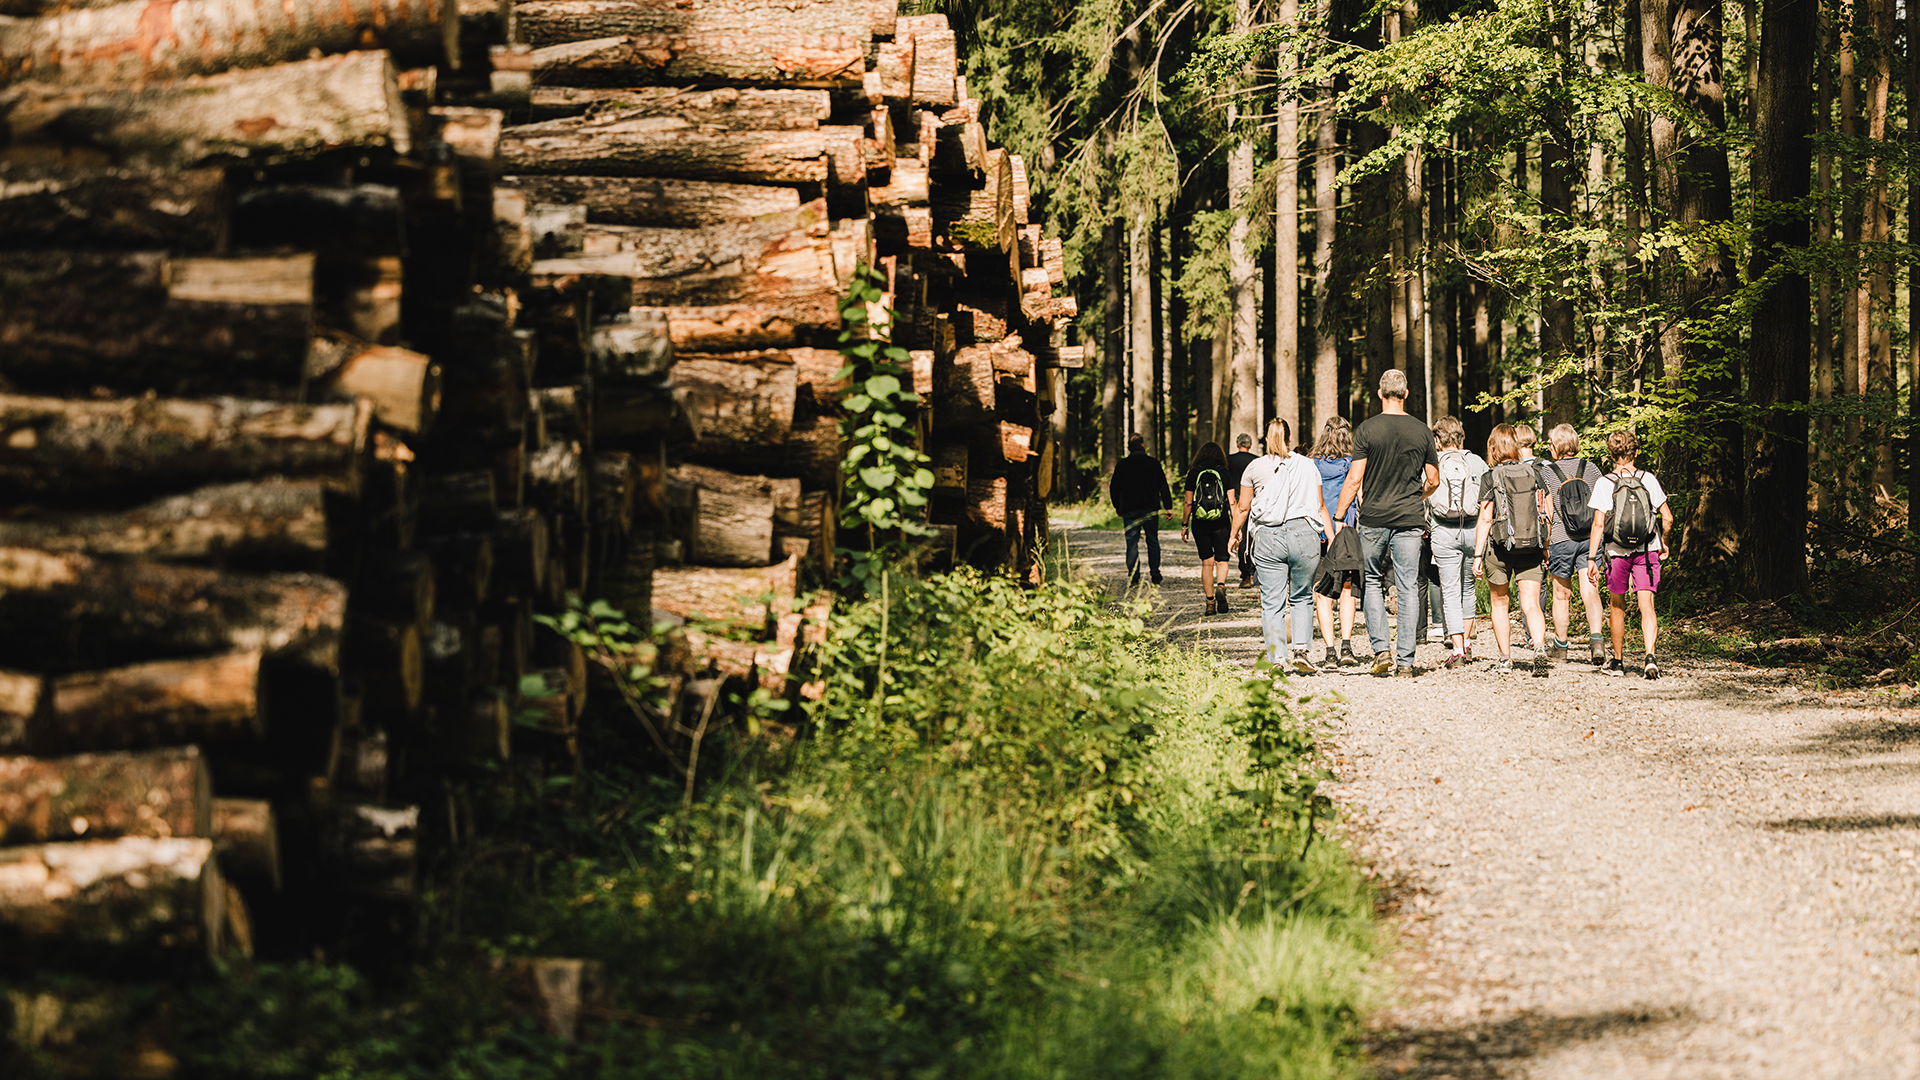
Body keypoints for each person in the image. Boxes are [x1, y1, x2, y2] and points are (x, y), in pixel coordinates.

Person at [1333, 370, 1439, 677]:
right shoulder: (1422, 431)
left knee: (1372, 582)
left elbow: (1354, 479)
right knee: (1407, 587)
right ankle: (1405, 661)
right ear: (1406, 395)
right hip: (1409, 518)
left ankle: (1381, 651)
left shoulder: (1367, 429)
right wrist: (1417, 496)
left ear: (1380, 394)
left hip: (1374, 518)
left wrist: (1340, 516)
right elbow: (1433, 479)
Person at [1230, 418, 1336, 674]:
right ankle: (1301, 650)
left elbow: (1243, 507)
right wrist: (1331, 538)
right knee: (1301, 596)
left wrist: (1234, 534)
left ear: (1266, 439)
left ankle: (1277, 658)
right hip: (1303, 535)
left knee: (1272, 602)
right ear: (1289, 439)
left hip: (1268, 537)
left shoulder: (1254, 467)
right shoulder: (1308, 465)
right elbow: (1320, 506)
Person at [1586, 429, 1674, 678]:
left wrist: (1592, 558)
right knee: (1647, 604)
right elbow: (1667, 518)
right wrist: (1664, 543)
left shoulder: (1605, 483)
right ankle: (1650, 657)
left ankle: (1618, 661)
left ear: (1611, 454)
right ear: (1636, 452)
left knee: (1617, 605)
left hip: (1616, 552)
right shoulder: (1649, 479)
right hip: (1647, 551)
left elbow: (1598, 525)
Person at [1471, 424, 1551, 676]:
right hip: (1531, 546)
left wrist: (1477, 555)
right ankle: (1539, 647)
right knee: (1531, 603)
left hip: (1500, 548)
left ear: (1493, 448)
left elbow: (1485, 519)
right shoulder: (1535, 472)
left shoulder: (1490, 476)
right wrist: (1546, 547)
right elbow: (1547, 514)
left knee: (1500, 603)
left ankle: (1505, 659)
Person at [1539, 423, 1607, 665]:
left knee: (1561, 594)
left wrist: (1546, 545)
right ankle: (1597, 640)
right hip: (1590, 539)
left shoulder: (1547, 472)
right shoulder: (1591, 469)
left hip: (1561, 538)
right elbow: (1603, 505)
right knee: (1590, 589)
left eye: (1550, 443)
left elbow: (1547, 512)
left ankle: (1560, 646)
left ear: (1557, 446)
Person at [1425, 416, 1486, 668]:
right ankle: (1469, 645)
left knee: (1450, 589)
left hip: (1443, 531)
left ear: (1437, 439)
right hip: (1472, 529)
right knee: (1468, 587)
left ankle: (1458, 650)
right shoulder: (1476, 461)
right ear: (1461, 436)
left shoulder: (1432, 462)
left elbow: (1425, 495)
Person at [1309, 417, 1362, 666]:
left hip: (1319, 531)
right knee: (1347, 590)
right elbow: (1361, 499)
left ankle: (1329, 651)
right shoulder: (1353, 464)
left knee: (1321, 591)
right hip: (1345, 532)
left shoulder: (1312, 465)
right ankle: (1347, 648)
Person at [1109, 432, 1173, 585]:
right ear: (1143, 445)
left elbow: (1114, 488)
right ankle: (1155, 574)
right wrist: (1168, 506)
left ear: (1129, 447)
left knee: (1132, 543)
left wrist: (1118, 506)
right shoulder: (1153, 463)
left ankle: (1134, 576)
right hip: (1150, 508)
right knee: (1152, 540)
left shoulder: (1122, 465)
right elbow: (1163, 486)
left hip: (1130, 509)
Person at [1180, 441, 1235, 614]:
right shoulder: (1224, 472)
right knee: (1222, 559)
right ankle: (1221, 586)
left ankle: (1210, 603)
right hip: (1222, 521)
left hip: (1200, 521)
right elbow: (1232, 501)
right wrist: (1237, 527)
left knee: (1207, 562)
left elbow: (1188, 502)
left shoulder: (1194, 473)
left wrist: (1184, 525)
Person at [1225, 434, 1259, 588]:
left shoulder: (1228, 460)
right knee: (1255, 538)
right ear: (1250, 445)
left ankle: (1245, 575)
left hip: (1236, 501)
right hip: (1254, 501)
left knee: (1241, 538)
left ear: (1237, 443)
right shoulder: (1256, 460)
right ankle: (1254, 573)